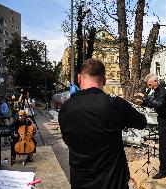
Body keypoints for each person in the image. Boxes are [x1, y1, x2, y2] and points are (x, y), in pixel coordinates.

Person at [58, 59, 147, 189]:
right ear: (104, 80)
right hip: (112, 183)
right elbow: (142, 122)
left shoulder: (65, 108)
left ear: (79, 78)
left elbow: (67, 141)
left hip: (80, 182)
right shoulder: (115, 105)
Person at [135, 73, 166, 179]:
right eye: (148, 85)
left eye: (151, 85)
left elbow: (158, 104)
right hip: (162, 119)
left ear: (156, 81)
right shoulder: (156, 91)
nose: (150, 87)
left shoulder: (163, 92)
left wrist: (145, 97)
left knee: (163, 146)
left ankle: (163, 171)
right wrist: (143, 103)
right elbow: (152, 104)